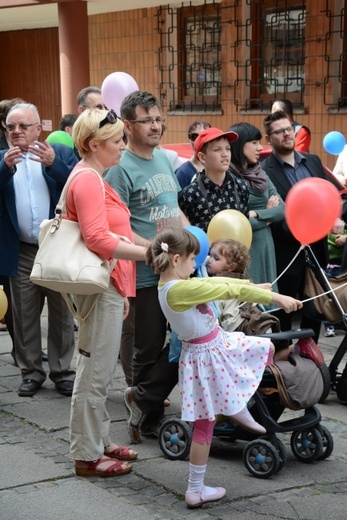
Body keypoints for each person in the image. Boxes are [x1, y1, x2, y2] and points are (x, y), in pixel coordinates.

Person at [146, 227, 302, 508]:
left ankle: (235, 406)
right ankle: (196, 489)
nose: (197, 265)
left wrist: (256, 288)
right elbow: (224, 286)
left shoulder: (174, 284)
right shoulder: (178, 289)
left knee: (263, 348)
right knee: (205, 425)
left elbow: (222, 287)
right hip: (206, 356)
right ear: (177, 259)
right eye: (194, 259)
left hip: (216, 345)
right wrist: (276, 298)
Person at [104, 90, 189, 442]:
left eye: (158, 119)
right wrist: (155, 249)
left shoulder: (162, 160)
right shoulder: (119, 168)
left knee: (185, 340)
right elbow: (116, 228)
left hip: (175, 269)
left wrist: (189, 240)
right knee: (148, 346)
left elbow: (173, 209)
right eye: (147, 120)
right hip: (142, 274)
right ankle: (145, 415)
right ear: (128, 125)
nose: (155, 126)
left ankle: (144, 399)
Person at [68, 108, 148, 478]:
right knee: (94, 374)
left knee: (98, 371)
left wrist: (154, 250)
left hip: (109, 287)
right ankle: (87, 454)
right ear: (93, 145)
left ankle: (97, 441)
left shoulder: (96, 177)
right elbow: (99, 239)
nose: (123, 145)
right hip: (100, 290)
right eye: (117, 140)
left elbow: (120, 235)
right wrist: (151, 254)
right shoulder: (87, 179)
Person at [0, 102, 78, 397]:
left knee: (60, 312)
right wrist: (3, 169)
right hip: (20, 250)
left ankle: (62, 372)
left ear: (38, 128)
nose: (17, 132)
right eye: (11, 127)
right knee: (24, 315)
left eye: (23, 126)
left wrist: (53, 164)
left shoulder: (59, 154)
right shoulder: (2, 159)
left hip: (55, 246)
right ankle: (31, 372)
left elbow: (78, 184)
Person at [261, 110, 343, 342]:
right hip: (287, 250)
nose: (287, 134)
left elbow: (330, 197)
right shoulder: (265, 172)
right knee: (286, 304)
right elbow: (272, 216)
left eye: (289, 129)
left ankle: (311, 350)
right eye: (279, 131)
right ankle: (285, 354)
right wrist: (297, 233)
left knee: (317, 301)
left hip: (317, 246)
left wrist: (334, 216)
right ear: (269, 139)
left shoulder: (313, 161)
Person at [228, 122, 284, 307]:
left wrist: (257, 215)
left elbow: (283, 209)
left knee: (269, 303)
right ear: (239, 144)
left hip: (267, 246)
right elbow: (236, 223)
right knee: (252, 306)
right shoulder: (229, 178)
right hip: (246, 250)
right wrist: (268, 216)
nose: (260, 148)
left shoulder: (261, 174)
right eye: (254, 142)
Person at [178, 127, 249, 232]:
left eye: (228, 148)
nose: (225, 154)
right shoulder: (190, 194)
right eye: (217, 149)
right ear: (202, 157)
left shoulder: (241, 187)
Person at [175, 120, 211, 189]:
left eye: (205, 136)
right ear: (189, 140)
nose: (199, 140)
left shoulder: (218, 166)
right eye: (194, 136)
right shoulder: (183, 172)